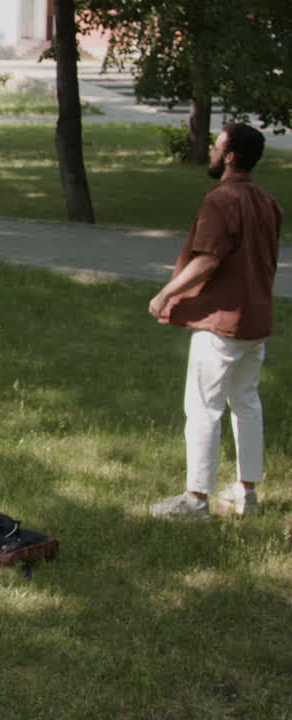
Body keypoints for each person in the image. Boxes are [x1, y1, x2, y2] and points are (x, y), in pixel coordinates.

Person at [148, 123, 283, 518]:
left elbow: (208, 259)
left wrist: (166, 292)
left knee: (203, 407)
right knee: (246, 402)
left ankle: (195, 500)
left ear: (230, 156)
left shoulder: (221, 200)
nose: (210, 149)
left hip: (221, 322)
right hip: (255, 320)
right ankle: (246, 492)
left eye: (216, 144)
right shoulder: (268, 201)